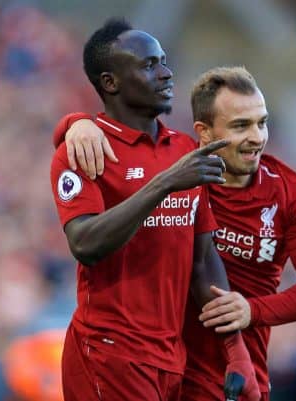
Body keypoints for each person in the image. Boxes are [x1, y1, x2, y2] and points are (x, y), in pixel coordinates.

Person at [53, 66, 296, 401]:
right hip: (163, 374)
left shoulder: (291, 192)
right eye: (240, 125)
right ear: (203, 133)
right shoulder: (176, 170)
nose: (257, 136)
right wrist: (75, 123)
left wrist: (252, 310)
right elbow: (122, 142)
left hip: (238, 379)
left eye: (262, 122)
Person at [49, 20, 259, 401]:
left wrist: (234, 348)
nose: (166, 72)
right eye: (148, 65)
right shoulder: (83, 151)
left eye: (163, 61)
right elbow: (84, 243)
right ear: (111, 83)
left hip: (170, 359)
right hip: (109, 354)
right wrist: (164, 183)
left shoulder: (184, 150)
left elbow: (203, 259)